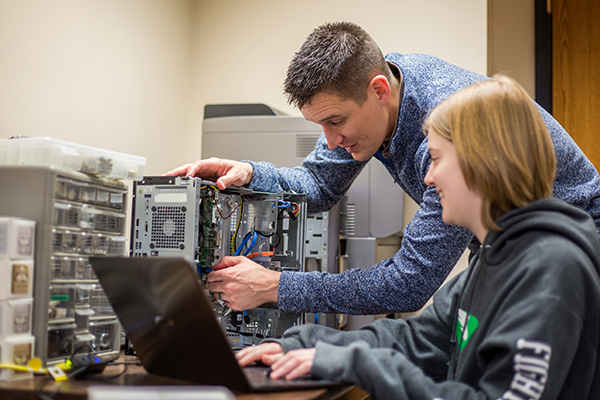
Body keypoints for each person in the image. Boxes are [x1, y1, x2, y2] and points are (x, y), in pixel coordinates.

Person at [166, 22, 600, 315]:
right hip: (507, 253)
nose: (331, 141)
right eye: (320, 125)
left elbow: (410, 283)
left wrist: (277, 287)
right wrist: (249, 173)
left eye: (335, 122)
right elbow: (317, 184)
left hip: (576, 251)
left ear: (378, 90)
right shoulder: (373, 87)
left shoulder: (449, 122)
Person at [235, 76, 600, 400]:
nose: (427, 178)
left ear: (483, 164)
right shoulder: (491, 262)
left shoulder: (551, 270)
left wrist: (359, 365)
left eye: (437, 159)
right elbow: (415, 340)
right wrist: (306, 345)